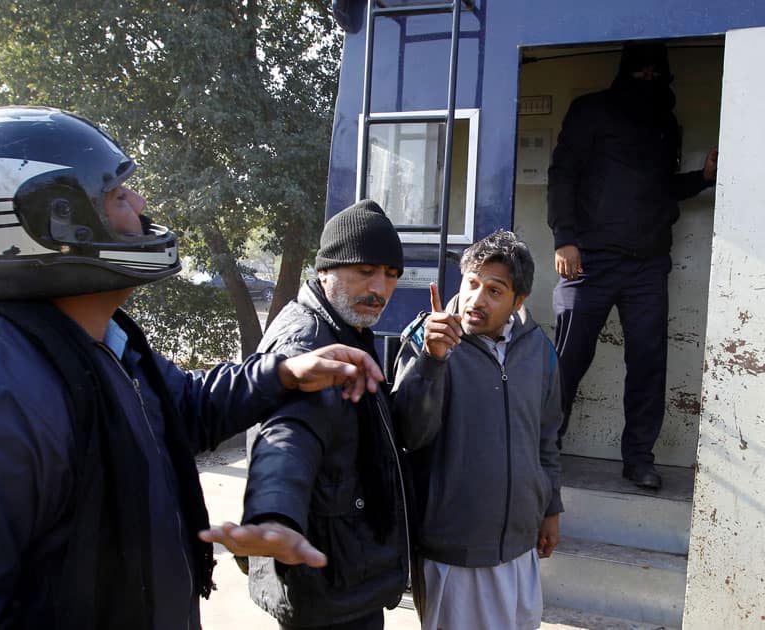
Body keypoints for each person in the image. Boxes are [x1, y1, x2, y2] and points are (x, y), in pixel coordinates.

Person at [0, 106, 386, 629]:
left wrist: (284, 374)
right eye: (117, 195)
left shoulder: (100, 348)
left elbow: (188, 406)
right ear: (47, 223)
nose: (140, 204)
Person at [237, 200, 429, 630]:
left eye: (391, 275)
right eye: (366, 271)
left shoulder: (347, 327)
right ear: (326, 270)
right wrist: (276, 519)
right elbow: (283, 448)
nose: (380, 288)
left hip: (348, 575)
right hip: (326, 580)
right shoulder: (307, 341)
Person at [547, 41, 718, 489]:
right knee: (565, 360)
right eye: (639, 71)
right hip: (588, 260)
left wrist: (700, 178)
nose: (647, 78)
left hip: (647, 265)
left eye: (654, 73)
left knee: (648, 363)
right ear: (625, 71)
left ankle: (639, 457)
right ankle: (545, 449)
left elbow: (662, 188)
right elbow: (562, 173)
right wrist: (564, 240)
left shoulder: (665, 122)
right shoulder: (591, 111)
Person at [393, 229, 562, 630]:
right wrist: (433, 361)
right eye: (472, 283)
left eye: (494, 291)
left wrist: (550, 508)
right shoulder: (428, 337)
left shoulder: (538, 349)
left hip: (520, 547)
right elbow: (407, 434)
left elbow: (546, 436)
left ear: (518, 301)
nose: (476, 300)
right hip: (455, 551)